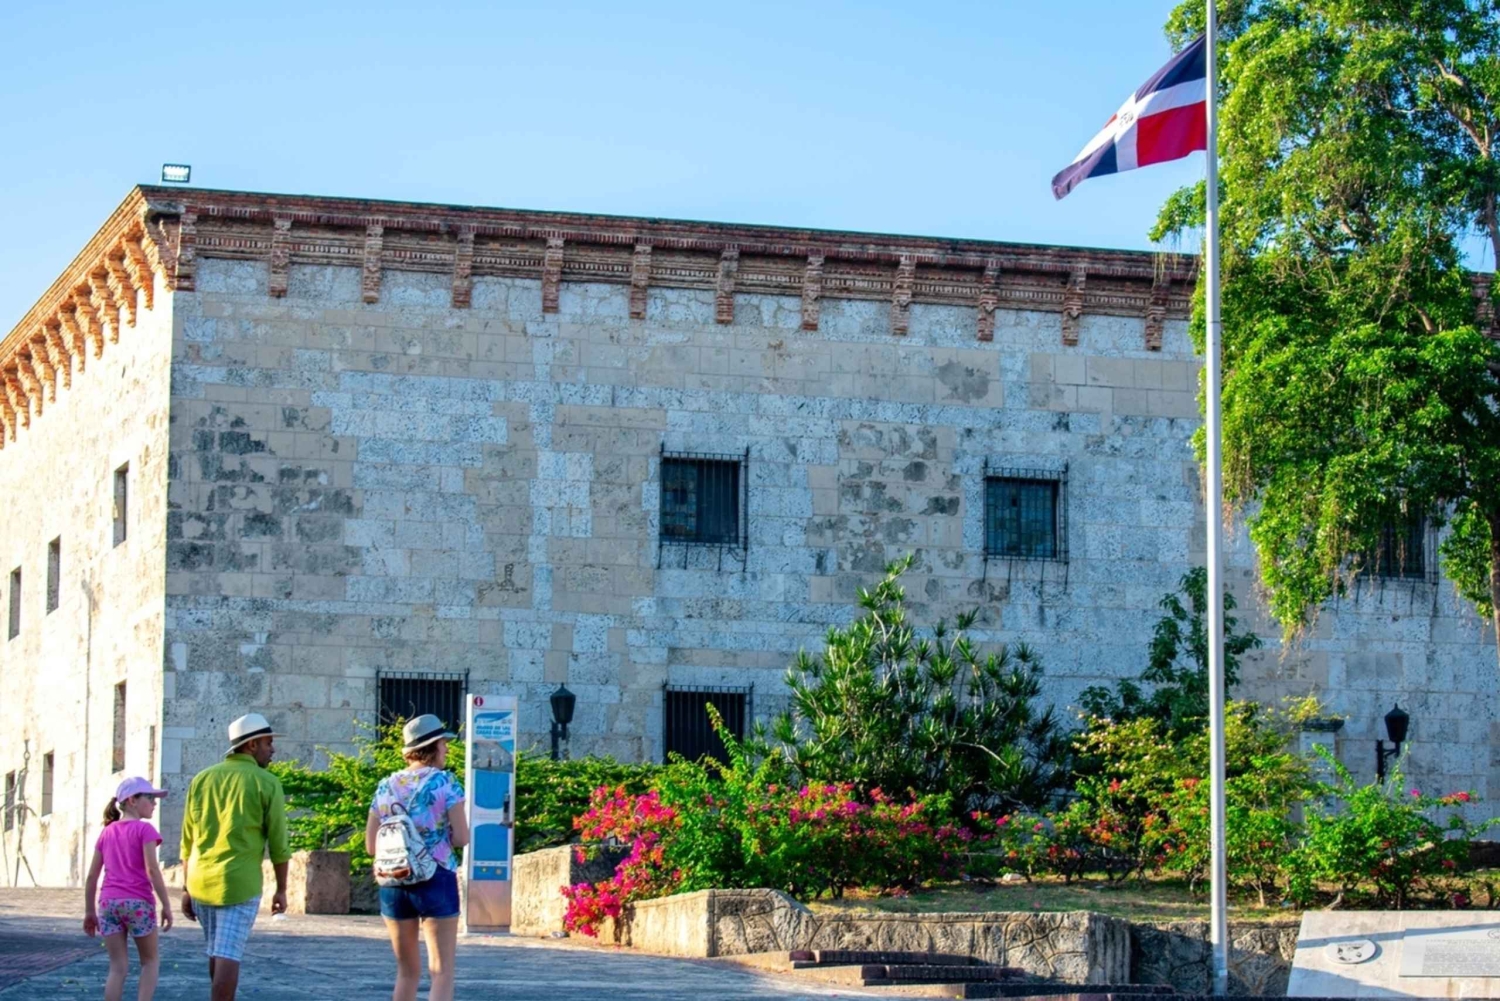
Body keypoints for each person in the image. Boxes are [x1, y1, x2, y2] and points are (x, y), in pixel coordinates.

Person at [179, 713, 292, 1001]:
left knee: (216, 951)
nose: (273, 749)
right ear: (252, 745)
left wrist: (185, 888)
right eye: (268, 742)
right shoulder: (266, 782)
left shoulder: (202, 779)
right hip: (238, 884)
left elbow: (187, 840)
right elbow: (279, 843)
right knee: (228, 954)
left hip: (200, 881)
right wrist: (281, 888)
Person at [366, 715, 469, 1001]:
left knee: (407, 972)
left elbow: (370, 845)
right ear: (433, 746)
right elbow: (462, 838)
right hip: (437, 878)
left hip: (395, 881)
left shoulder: (386, 785)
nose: (447, 749)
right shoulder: (446, 782)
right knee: (442, 971)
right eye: (444, 743)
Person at [83, 777, 174, 1001]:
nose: (154, 803)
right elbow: (152, 869)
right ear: (132, 800)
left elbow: (93, 876)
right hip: (138, 904)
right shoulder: (145, 830)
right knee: (150, 962)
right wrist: (167, 905)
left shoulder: (107, 832)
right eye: (150, 798)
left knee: (117, 967)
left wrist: (89, 911)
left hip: (108, 904)